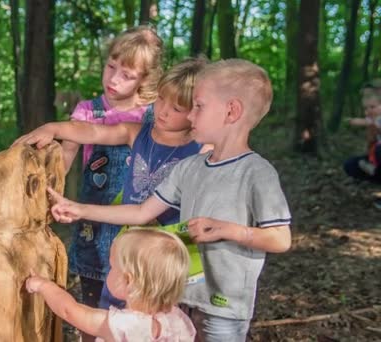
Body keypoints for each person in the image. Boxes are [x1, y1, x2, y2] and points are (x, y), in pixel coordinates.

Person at [47, 59, 292, 341]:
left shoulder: (257, 173)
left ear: (231, 111)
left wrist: (230, 230)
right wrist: (79, 209)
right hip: (178, 295)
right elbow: (141, 212)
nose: (189, 116)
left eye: (198, 107)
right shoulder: (188, 168)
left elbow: (280, 238)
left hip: (224, 305)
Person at [15, 57, 211, 310]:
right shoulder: (138, 132)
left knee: (160, 317)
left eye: (177, 108)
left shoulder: (201, 148)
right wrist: (54, 128)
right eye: (161, 99)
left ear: (196, 111)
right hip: (130, 244)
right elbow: (93, 132)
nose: (163, 111)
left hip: (169, 254)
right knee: (113, 308)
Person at [59, 25, 164, 338]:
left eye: (127, 74)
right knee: (93, 308)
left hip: (138, 229)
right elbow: (63, 160)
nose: (114, 79)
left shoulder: (153, 116)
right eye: (111, 67)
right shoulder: (87, 112)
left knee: (136, 309)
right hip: (93, 224)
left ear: (145, 80)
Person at [25, 228, 196, 342]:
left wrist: (44, 286)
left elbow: (69, 311)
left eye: (112, 268)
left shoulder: (126, 325)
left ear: (128, 281)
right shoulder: (177, 319)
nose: (109, 271)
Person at [344, 80, 381, 185]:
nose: (369, 110)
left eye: (372, 107)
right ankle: (374, 172)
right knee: (350, 164)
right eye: (366, 108)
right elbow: (371, 144)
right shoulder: (373, 119)